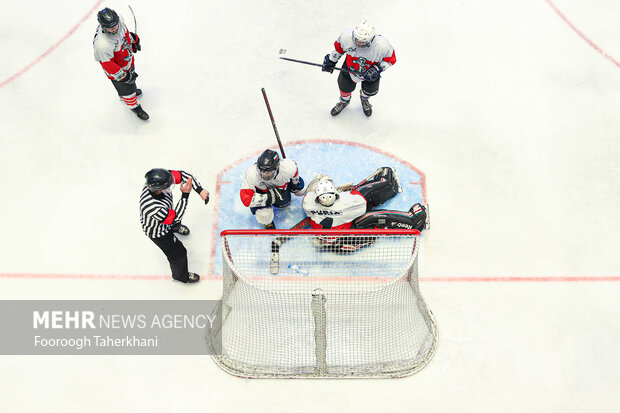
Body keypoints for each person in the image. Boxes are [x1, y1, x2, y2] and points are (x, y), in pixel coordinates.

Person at [302, 168, 427, 252]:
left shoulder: (308, 203)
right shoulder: (346, 204)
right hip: (345, 239)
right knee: (376, 216)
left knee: (362, 202)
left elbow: (310, 192)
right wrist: (349, 192)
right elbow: (362, 201)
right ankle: (414, 222)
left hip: (328, 240)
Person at [140, 168, 210, 283]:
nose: (170, 186)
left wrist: (200, 190)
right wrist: (185, 195)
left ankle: (175, 228)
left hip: (168, 217)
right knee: (179, 253)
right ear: (158, 190)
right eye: (167, 187)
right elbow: (175, 217)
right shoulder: (154, 208)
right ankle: (181, 276)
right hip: (159, 232)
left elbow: (183, 175)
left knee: (173, 222)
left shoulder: (159, 179)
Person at [321, 20, 396, 117]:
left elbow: (391, 59)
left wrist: (377, 69)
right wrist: (331, 60)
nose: (358, 43)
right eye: (356, 40)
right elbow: (339, 49)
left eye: (362, 41)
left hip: (370, 72)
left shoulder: (382, 46)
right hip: (349, 69)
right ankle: (344, 101)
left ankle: (364, 98)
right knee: (344, 87)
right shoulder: (346, 38)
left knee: (370, 90)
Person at [93, 7, 149, 121]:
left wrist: (134, 40)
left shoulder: (119, 20)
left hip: (126, 60)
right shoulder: (102, 45)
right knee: (128, 90)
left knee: (131, 84)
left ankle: (128, 92)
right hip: (118, 71)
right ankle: (134, 106)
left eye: (115, 24)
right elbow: (108, 66)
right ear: (103, 26)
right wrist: (125, 76)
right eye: (110, 27)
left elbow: (125, 33)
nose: (114, 28)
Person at [240, 149, 305, 229]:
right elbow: (246, 199)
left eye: (268, 172)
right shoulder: (251, 173)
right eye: (262, 171)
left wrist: (295, 184)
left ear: (277, 168)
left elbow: (295, 174)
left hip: (280, 189)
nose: (264, 175)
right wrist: (271, 197)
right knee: (264, 215)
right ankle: (267, 222)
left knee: (284, 205)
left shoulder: (288, 167)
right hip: (262, 192)